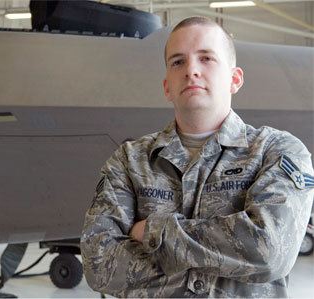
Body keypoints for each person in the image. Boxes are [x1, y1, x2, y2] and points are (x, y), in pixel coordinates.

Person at [80, 16, 314, 298]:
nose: (191, 70)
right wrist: (227, 259)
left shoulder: (276, 152)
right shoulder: (130, 161)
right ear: (167, 87)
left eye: (206, 58)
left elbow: (269, 251)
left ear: (235, 79)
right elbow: (99, 263)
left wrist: (155, 232)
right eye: (178, 62)